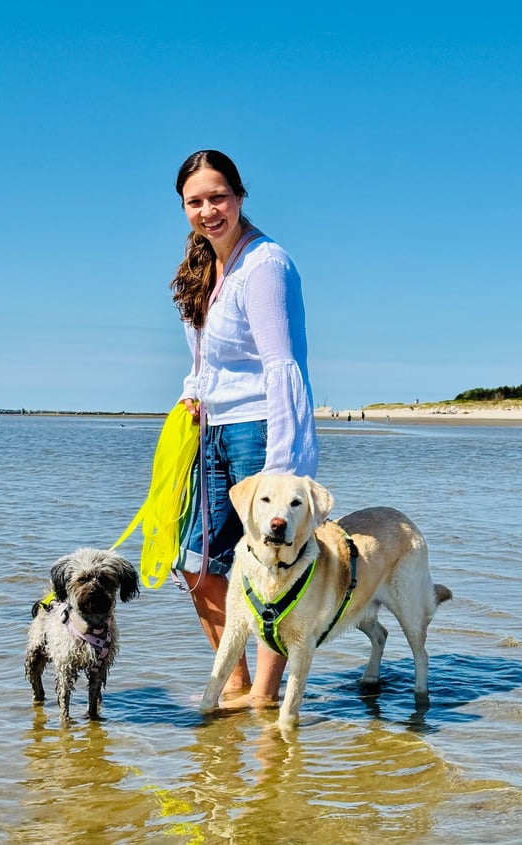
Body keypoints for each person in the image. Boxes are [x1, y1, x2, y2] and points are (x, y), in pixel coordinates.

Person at [169, 150, 318, 706]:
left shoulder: (265, 264)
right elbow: (206, 359)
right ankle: (235, 685)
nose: (208, 211)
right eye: (195, 202)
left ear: (239, 196)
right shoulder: (205, 268)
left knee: (274, 567)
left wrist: (284, 465)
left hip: (260, 429)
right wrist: (192, 393)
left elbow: (282, 365)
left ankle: (264, 699)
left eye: (218, 197)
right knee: (197, 564)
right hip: (211, 430)